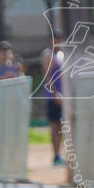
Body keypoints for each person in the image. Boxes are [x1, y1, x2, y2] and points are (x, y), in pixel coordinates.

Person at [41, 32, 65, 165]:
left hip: (63, 96)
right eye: (56, 38)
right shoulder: (48, 54)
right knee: (55, 126)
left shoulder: (60, 54)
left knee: (61, 126)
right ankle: (56, 155)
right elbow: (47, 76)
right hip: (54, 96)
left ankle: (59, 154)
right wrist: (55, 93)